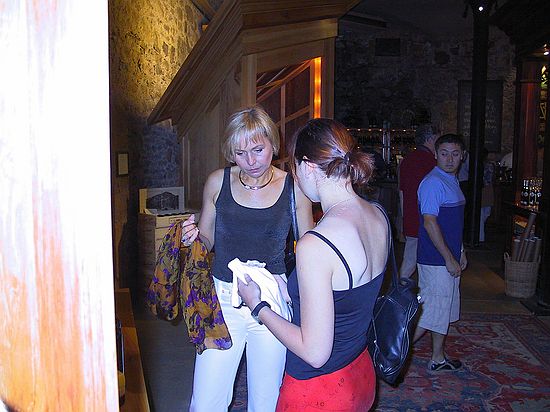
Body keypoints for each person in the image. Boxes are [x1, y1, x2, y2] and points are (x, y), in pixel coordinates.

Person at [238, 118, 390, 411]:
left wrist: (258, 306)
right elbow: (348, 298)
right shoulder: (377, 214)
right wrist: (290, 290)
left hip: (320, 390)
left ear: (307, 167)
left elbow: (315, 352)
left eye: (295, 170)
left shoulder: (316, 244)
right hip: (360, 373)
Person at [182, 105, 314, 411]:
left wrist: (299, 294)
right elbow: (207, 238)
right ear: (231, 152)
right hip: (222, 298)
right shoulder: (218, 181)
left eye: (258, 150)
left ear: (273, 144)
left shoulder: (294, 188)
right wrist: (193, 238)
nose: (251, 161)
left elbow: (308, 249)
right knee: (206, 401)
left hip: (271, 298)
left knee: (266, 401)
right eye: (241, 153)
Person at [413, 133, 468, 372]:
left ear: (463, 156)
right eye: (444, 154)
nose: (449, 159)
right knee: (429, 314)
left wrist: (460, 250)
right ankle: (390, 356)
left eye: (455, 154)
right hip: (435, 260)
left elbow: (453, 224)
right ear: (435, 154)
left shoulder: (450, 180)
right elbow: (429, 222)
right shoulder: (433, 182)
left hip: (446, 257)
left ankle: (437, 357)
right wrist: (448, 258)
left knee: (440, 311)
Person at [398, 123, 438, 278]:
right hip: (427, 217)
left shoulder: (406, 160)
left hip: (411, 215)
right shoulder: (432, 162)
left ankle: (401, 286)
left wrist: (404, 218)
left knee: (410, 258)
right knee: (427, 259)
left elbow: (402, 192)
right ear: (431, 139)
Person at [479, 148, 494, 243]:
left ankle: (480, 236)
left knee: (483, 213)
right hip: (486, 190)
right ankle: (480, 237)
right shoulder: (489, 165)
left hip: (483, 190)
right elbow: (489, 179)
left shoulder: (485, 165)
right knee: (484, 213)